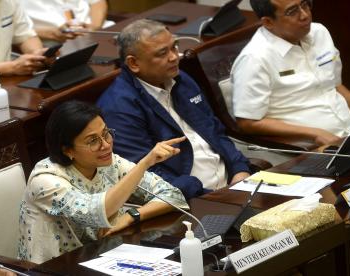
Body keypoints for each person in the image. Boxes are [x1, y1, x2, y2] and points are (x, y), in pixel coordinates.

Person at [17, 101, 188, 264]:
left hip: (99, 259)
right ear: (68, 150)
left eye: (106, 133)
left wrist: (131, 216)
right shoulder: (45, 180)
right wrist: (144, 163)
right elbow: (95, 213)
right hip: (52, 269)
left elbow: (173, 196)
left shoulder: (110, 163)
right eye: (93, 141)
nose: (106, 145)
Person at [97, 19, 251, 200]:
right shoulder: (118, 107)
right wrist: (210, 196)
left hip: (234, 185)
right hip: (191, 200)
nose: (174, 57)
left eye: (174, 47)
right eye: (162, 53)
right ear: (133, 63)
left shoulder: (182, 79)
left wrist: (240, 170)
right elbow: (144, 174)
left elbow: (215, 131)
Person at [230, 0, 350, 146]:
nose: (305, 15)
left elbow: (331, 84)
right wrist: (314, 134)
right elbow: (248, 122)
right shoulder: (254, 59)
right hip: (307, 148)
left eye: (304, 4)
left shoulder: (319, 32)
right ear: (268, 22)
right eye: (292, 11)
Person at [21, 0, 113, 43]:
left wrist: (95, 26)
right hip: (53, 41)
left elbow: (97, 2)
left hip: (98, 31)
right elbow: (14, 31)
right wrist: (50, 34)